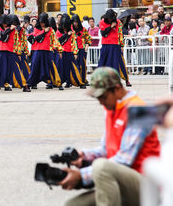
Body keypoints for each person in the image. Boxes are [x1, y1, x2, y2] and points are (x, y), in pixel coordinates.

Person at [60, 67, 160, 206]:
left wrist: (81, 176)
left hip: (146, 186)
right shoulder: (112, 108)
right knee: (72, 204)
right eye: (98, 98)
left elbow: (124, 160)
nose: (101, 102)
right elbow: (106, 149)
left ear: (118, 89)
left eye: (103, 97)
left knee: (101, 167)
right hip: (122, 180)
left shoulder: (138, 111)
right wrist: (84, 156)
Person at [0, 14, 31, 92]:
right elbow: (1, 38)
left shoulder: (14, 30)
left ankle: (24, 85)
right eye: (3, 22)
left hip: (11, 52)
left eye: (6, 22)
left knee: (16, 69)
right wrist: (9, 29)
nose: (4, 24)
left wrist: (19, 53)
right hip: (1, 52)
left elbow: (17, 42)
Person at [27, 12, 63, 90]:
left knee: (52, 67)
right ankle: (30, 83)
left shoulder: (51, 30)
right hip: (37, 50)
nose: (42, 24)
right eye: (40, 22)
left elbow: (55, 40)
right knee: (34, 67)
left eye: (43, 22)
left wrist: (59, 50)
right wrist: (44, 31)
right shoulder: (36, 29)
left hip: (48, 50)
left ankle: (57, 83)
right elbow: (36, 38)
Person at [98, 9, 131, 86]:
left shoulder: (118, 22)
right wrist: (111, 26)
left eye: (111, 18)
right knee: (103, 62)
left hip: (115, 45)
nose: (109, 19)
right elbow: (103, 33)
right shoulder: (102, 22)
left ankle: (126, 79)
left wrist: (122, 45)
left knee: (119, 63)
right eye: (108, 18)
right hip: (105, 45)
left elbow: (120, 34)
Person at [56, 14, 84, 88]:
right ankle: (59, 83)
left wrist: (75, 53)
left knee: (73, 68)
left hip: (70, 52)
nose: (65, 28)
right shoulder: (59, 31)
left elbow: (74, 42)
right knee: (60, 68)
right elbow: (58, 42)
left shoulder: (72, 32)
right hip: (62, 52)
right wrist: (60, 51)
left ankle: (77, 82)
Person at [72, 14, 91, 87]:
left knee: (82, 65)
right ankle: (74, 80)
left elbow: (88, 38)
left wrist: (87, 44)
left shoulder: (83, 29)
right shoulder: (71, 30)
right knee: (74, 66)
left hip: (82, 49)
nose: (75, 23)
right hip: (73, 50)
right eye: (73, 22)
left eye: (76, 22)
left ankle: (83, 80)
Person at [11, 14, 30, 83]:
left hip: (19, 51)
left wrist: (25, 51)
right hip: (13, 50)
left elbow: (24, 41)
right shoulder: (10, 30)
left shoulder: (21, 30)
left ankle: (23, 81)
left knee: (22, 67)